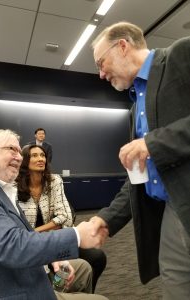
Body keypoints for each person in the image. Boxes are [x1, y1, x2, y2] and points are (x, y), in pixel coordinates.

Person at [91, 21, 190, 300]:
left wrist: (153, 142)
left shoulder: (181, 54)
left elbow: (155, 147)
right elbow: (140, 177)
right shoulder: (136, 107)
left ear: (122, 46)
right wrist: (106, 219)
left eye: (101, 62)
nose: (100, 74)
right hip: (173, 214)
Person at [0, 129, 108, 300]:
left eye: (19, 151)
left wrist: (54, 256)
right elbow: (13, 246)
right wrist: (77, 235)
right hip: (14, 287)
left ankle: (58, 288)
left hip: (31, 266)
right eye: (11, 149)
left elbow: (52, 223)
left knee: (83, 269)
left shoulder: (3, 189)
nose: (18, 156)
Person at [17, 144, 107, 292]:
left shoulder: (54, 181)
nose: (40, 159)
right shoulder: (15, 187)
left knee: (97, 258)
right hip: (30, 244)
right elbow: (19, 230)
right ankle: (56, 292)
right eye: (34, 155)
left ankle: (78, 292)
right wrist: (44, 230)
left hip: (54, 237)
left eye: (42, 155)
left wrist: (35, 232)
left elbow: (64, 217)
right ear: (25, 160)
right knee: (54, 269)